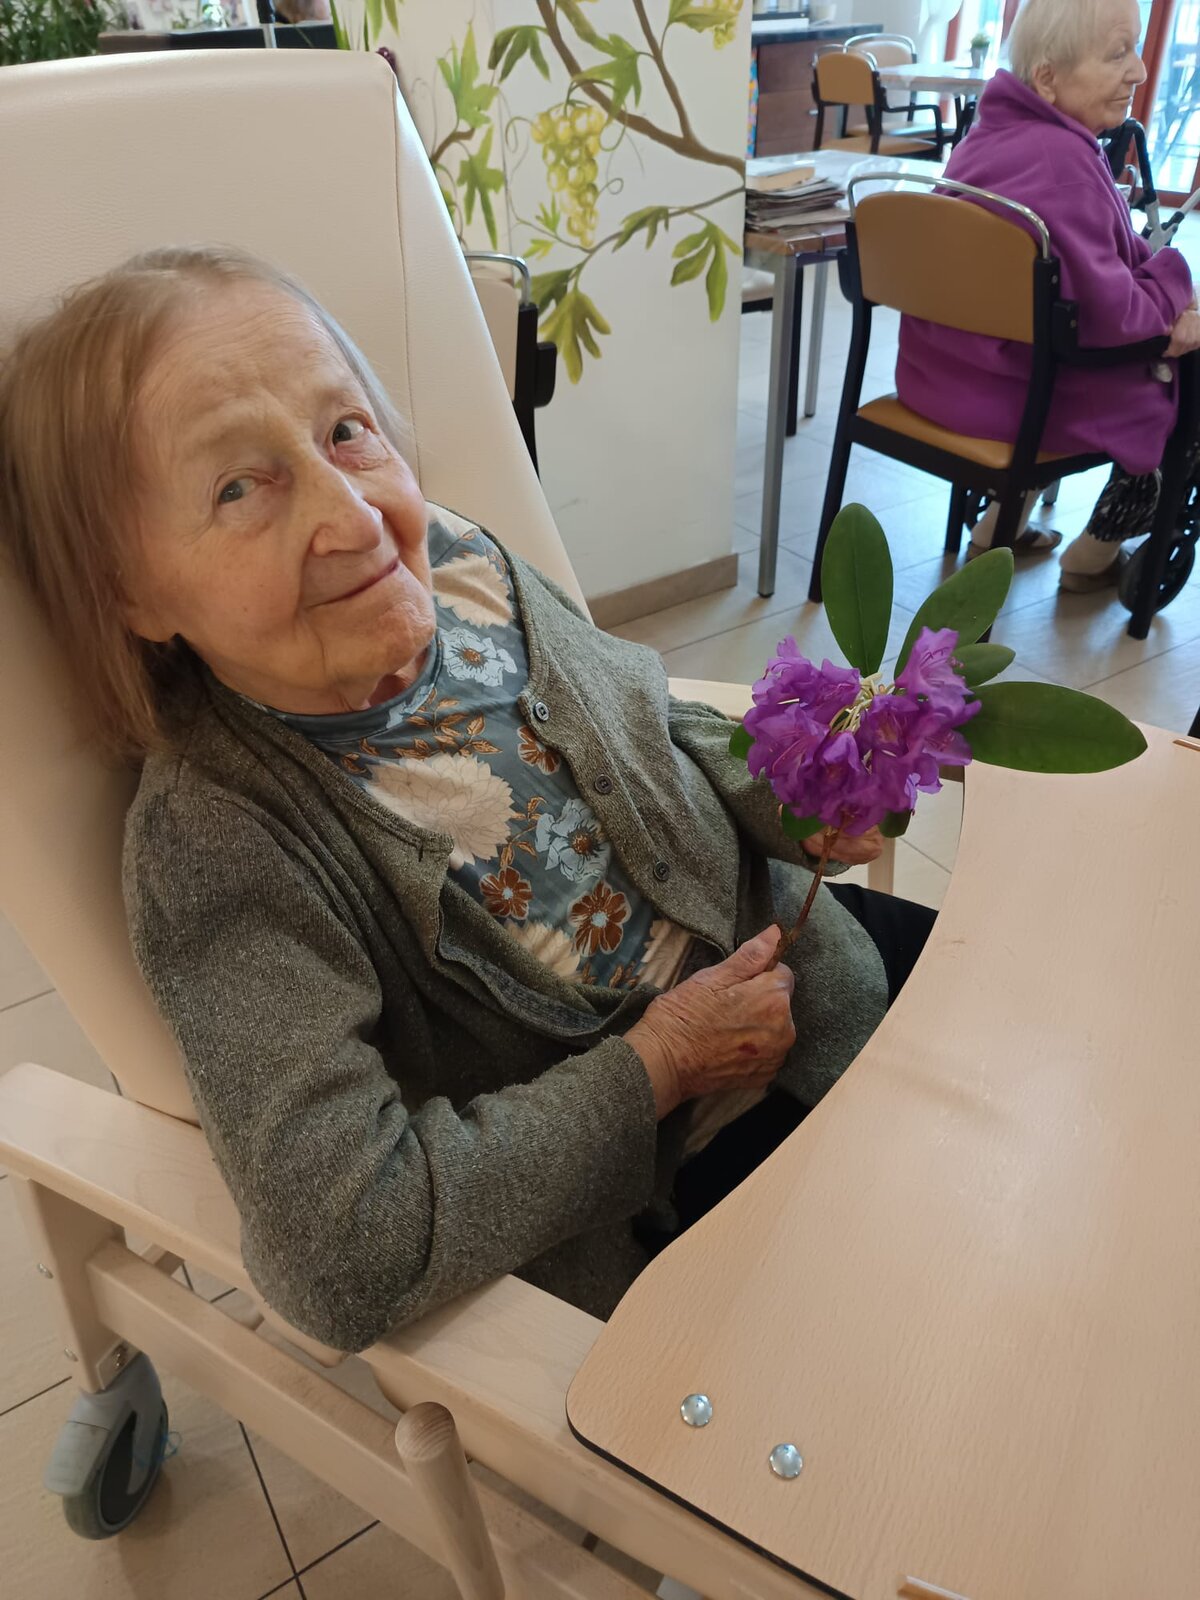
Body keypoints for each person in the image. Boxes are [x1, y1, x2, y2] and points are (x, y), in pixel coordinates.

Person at [0, 247, 935, 1352]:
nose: (356, 519)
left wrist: (795, 796)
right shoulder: (220, 842)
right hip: (689, 1195)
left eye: (346, 430)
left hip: (831, 982)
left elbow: (650, 721)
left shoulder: (464, 569)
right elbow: (341, 1250)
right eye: (237, 488)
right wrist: (662, 1064)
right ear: (131, 592)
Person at [897, 0, 1200, 591]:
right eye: (1118, 54)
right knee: (1185, 369)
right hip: (1014, 399)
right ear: (1047, 78)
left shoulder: (985, 138)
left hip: (940, 378)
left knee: (1054, 327)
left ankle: (998, 527)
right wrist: (1176, 281)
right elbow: (1119, 317)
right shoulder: (1064, 166)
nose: (1140, 71)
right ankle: (1098, 551)